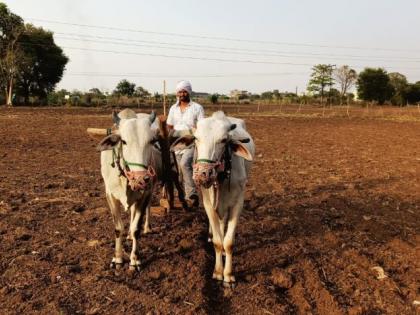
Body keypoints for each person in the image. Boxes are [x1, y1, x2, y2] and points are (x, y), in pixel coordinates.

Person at [167, 80, 204, 208]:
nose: (182, 94)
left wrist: (193, 132)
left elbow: (202, 126)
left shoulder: (197, 108)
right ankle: (182, 196)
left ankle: (192, 195)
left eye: (184, 91)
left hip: (190, 141)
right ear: (177, 93)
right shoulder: (173, 108)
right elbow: (170, 126)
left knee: (185, 164)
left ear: (189, 92)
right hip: (176, 143)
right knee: (177, 171)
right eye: (180, 91)